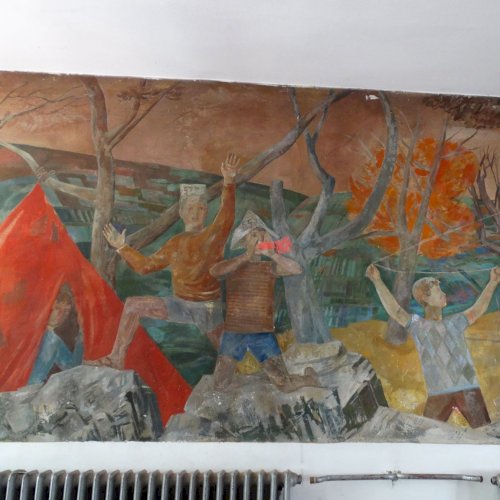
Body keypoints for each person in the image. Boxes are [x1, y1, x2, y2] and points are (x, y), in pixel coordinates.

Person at [89, 153, 240, 369]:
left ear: (206, 211)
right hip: (179, 304)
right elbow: (145, 267)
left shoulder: (213, 236)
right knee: (132, 305)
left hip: (206, 308)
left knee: (230, 356)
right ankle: (116, 358)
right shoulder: (175, 243)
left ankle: (240, 368)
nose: (195, 212)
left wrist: (229, 182)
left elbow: (226, 216)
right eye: (190, 208)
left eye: (200, 208)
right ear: (181, 212)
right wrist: (122, 248)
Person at [366, 263, 500, 428]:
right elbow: (395, 311)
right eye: (438, 291)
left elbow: (478, 308)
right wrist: (377, 280)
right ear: (426, 298)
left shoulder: (456, 321)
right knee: (426, 434)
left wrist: (493, 282)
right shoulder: (417, 325)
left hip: (467, 389)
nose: (444, 294)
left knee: (484, 432)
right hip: (438, 393)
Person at [210, 211, 318, 392]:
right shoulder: (234, 266)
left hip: (262, 333)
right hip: (234, 332)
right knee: (220, 385)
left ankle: (310, 379)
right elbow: (215, 271)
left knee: (284, 384)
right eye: (254, 235)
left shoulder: (269, 267)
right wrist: (246, 256)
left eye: (262, 235)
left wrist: (273, 254)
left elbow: (297, 269)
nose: (259, 239)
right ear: (244, 241)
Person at [29, 284, 84, 384]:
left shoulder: (54, 339)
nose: (61, 316)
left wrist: (81, 337)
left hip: (36, 390)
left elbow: (73, 368)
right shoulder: (32, 334)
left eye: (66, 311)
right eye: (57, 308)